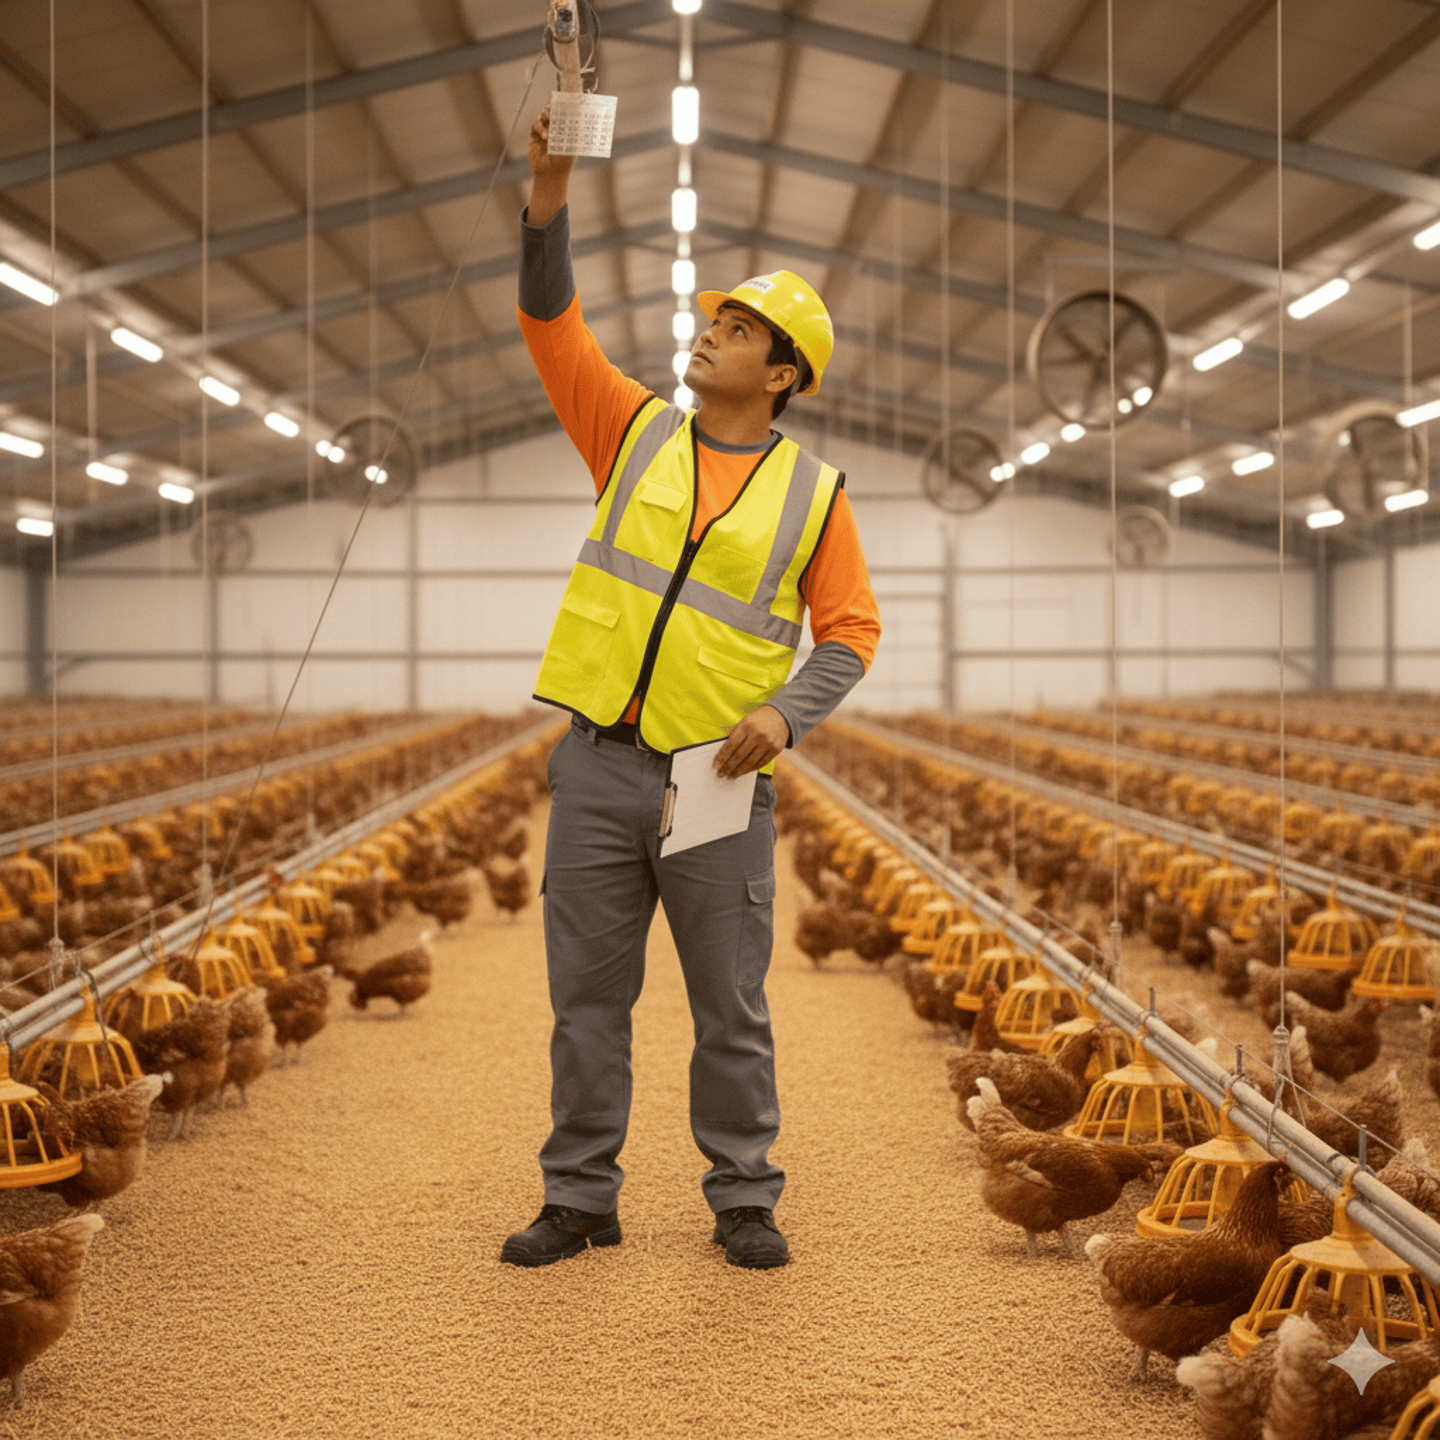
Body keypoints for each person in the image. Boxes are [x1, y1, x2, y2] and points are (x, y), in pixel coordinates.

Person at [499, 104, 880, 1271]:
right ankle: (580, 1197)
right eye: (715, 316)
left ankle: (744, 1197)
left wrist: (782, 716)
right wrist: (549, 194)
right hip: (600, 766)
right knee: (587, 1006)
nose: (713, 333)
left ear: (783, 373)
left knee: (731, 1012)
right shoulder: (634, 434)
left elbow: (851, 634)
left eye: (742, 327)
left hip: (715, 782)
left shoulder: (814, 496)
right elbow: (551, 323)